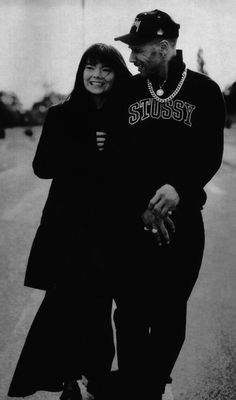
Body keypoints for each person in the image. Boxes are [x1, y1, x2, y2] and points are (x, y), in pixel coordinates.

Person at [108, 9, 225, 399]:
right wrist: (141, 205)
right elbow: (116, 158)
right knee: (128, 311)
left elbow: (211, 153)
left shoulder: (205, 92)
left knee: (170, 310)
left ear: (163, 47)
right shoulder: (126, 92)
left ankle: (152, 385)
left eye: (138, 50)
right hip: (132, 219)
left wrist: (181, 189)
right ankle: (134, 384)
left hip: (184, 222)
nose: (131, 58)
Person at [8, 43, 131, 400]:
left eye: (106, 70)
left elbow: (133, 167)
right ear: (81, 72)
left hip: (110, 229)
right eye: (90, 68)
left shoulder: (124, 115)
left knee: (98, 305)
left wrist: (111, 149)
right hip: (68, 229)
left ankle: (90, 379)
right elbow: (42, 167)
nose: (97, 75)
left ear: (116, 74)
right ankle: (74, 378)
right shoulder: (60, 115)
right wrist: (85, 148)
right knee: (67, 305)